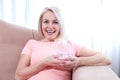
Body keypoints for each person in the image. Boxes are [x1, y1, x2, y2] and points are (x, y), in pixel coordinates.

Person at [15, 6, 111, 80]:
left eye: (55, 22)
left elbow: (105, 59)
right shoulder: (32, 44)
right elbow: (18, 75)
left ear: (61, 25)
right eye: (46, 22)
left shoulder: (70, 44)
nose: (50, 26)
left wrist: (78, 61)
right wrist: (45, 62)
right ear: (41, 24)